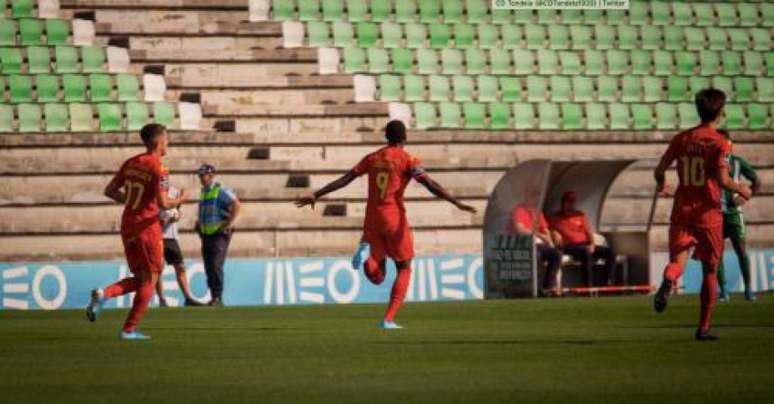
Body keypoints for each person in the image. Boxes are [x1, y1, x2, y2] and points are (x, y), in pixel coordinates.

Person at [295, 120, 476, 329]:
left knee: (377, 277)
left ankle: (366, 256)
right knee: (404, 267)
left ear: (386, 137)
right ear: (404, 138)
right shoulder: (408, 160)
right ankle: (388, 319)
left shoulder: (373, 158)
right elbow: (429, 184)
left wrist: (317, 194)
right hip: (393, 218)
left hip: (372, 218)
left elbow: (346, 178)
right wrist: (455, 202)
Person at [652, 88, 752, 341]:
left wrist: (662, 183)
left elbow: (659, 169)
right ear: (719, 112)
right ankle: (703, 327)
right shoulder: (719, 142)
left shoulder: (681, 139)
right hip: (708, 214)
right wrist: (743, 189)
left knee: (678, 261)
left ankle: (668, 280)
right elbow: (722, 179)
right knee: (710, 270)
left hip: (682, 210)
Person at [85, 123, 189, 340]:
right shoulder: (159, 169)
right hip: (146, 230)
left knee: (141, 277)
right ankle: (128, 330)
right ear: (157, 142)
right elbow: (163, 203)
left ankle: (104, 294)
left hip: (128, 226)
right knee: (150, 279)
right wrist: (180, 199)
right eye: (166, 139)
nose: (168, 142)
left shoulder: (131, 163)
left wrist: (132, 201)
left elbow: (110, 190)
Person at [716, 129, 761, 302]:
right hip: (716, 215)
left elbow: (757, 182)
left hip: (734, 214)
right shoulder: (711, 164)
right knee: (717, 253)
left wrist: (743, 198)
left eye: (725, 143)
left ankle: (748, 289)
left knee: (741, 250)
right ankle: (723, 291)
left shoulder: (738, 162)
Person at [549, 190, 616, 287]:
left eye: (572, 202)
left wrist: (592, 244)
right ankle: (589, 286)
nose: (570, 204)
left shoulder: (580, 215)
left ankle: (609, 283)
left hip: (585, 244)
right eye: (567, 202)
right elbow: (547, 228)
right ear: (563, 203)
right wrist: (553, 232)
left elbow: (588, 232)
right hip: (569, 246)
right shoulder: (556, 217)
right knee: (586, 252)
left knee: (610, 253)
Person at [195, 164, 240, 306]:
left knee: (215, 264)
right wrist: (199, 224)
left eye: (204, 175)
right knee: (209, 265)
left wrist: (230, 223)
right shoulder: (204, 191)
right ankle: (214, 296)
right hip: (206, 233)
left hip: (219, 233)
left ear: (211, 175)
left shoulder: (220, 189)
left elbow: (237, 205)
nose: (201, 178)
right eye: (200, 176)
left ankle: (218, 297)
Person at [156, 184, 204, 307]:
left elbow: (183, 195)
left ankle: (188, 298)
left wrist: (177, 214)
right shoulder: (153, 190)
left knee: (180, 266)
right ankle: (162, 300)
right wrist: (163, 220)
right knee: (157, 270)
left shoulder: (173, 190)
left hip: (171, 237)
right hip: (157, 237)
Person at [509, 193, 561, 296]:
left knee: (556, 254)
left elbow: (545, 230)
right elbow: (520, 230)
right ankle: (536, 288)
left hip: (540, 244)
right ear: (527, 197)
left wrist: (550, 243)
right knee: (536, 255)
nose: (535, 198)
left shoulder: (537, 212)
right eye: (533, 196)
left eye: (536, 196)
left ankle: (548, 288)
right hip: (524, 244)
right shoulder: (519, 210)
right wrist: (539, 235)